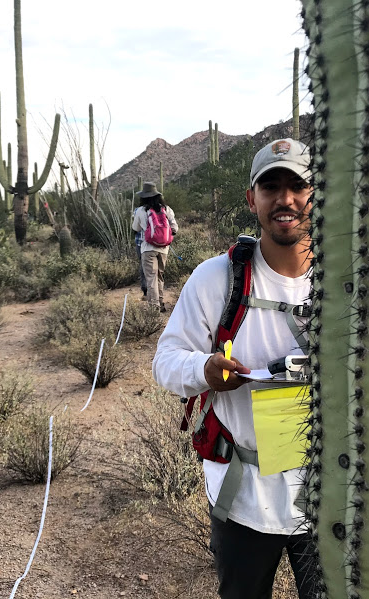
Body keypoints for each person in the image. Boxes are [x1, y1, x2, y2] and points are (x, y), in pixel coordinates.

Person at [152, 139, 317, 599]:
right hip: (246, 496)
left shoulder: (348, 280)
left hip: (329, 493)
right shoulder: (217, 278)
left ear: (315, 194)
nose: (285, 199)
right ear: (252, 199)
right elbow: (165, 361)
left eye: (297, 186)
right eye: (271, 187)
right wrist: (205, 369)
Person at [132, 182, 178, 312]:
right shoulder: (166, 209)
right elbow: (175, 228)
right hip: (164, 249)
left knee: (151, 277)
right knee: (160, 276)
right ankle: (161, 302)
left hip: (147, 248)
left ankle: (154, 307)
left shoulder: (141, 210)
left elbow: (135, 228)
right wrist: (166, 236)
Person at [132, 195, 150, 296]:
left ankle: (145, 290)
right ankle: (157, 295)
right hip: (159, 243)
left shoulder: (138, 210)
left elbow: (135, 227)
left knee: (143, 266)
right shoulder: (161, 208)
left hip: (141, 242)